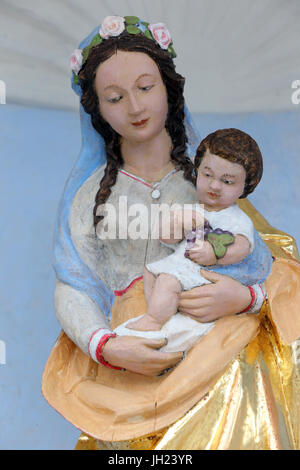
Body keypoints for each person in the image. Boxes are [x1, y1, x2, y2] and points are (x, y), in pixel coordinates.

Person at [42, 15, 300, 450]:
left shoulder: (211, 182)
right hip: (133, 354)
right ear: (97, 109)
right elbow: (74, 285)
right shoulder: (89, 198)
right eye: (115, 97)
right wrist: (104, 344)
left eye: (146, 88)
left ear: (169, 88)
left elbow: (266, 256)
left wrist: (247, 297)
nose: (136, 107)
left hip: (215, 348)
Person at [118, 129, 273, 353]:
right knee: (151, 272)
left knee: (168, 281)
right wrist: (177, 222)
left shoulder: (237, 219)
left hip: (205, 273)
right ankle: (162, 313)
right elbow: (167, 237)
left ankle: (153, 320)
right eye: (207, 175)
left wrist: (215, 254)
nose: (215, 186)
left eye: (227, 181)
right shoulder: (191, 208)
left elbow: (242, 246)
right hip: (184, 264)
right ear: (197, 170)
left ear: (245, 187)